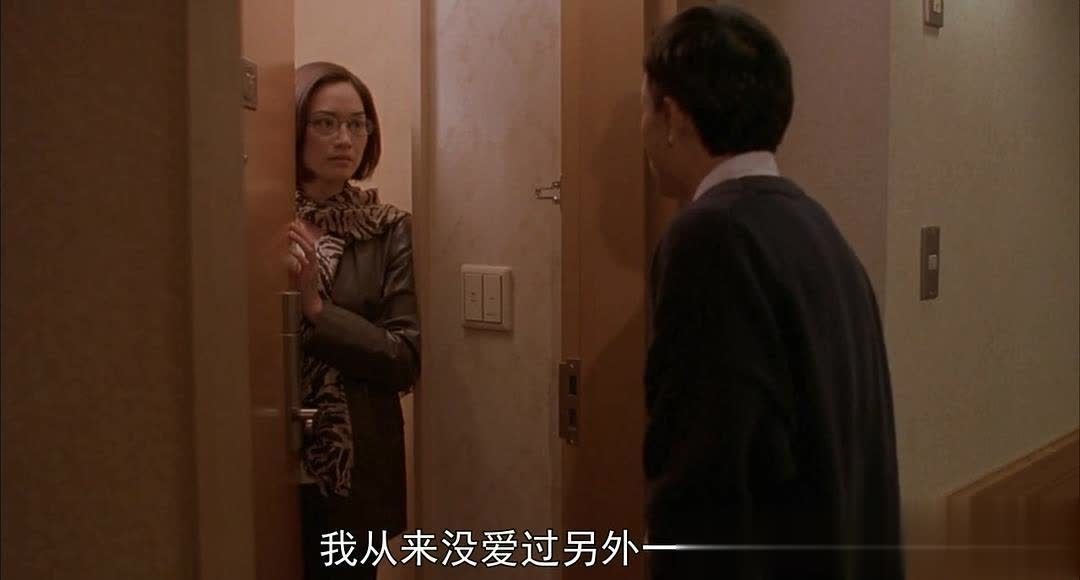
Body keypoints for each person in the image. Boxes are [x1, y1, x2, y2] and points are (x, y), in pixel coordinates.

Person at [640, 6, 903, 580]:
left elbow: (702, 480)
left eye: (645, 106)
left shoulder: (709, 238)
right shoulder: (817, 227)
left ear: (672, 116)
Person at [288, 61, 420, 580]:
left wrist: (318, 311)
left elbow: (404, 357)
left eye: (357, 124)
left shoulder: (387, 229)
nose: (345, 139)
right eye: (325, 123)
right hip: (267, 448)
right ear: (295, 128)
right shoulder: (259, 217)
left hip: (356, 463)